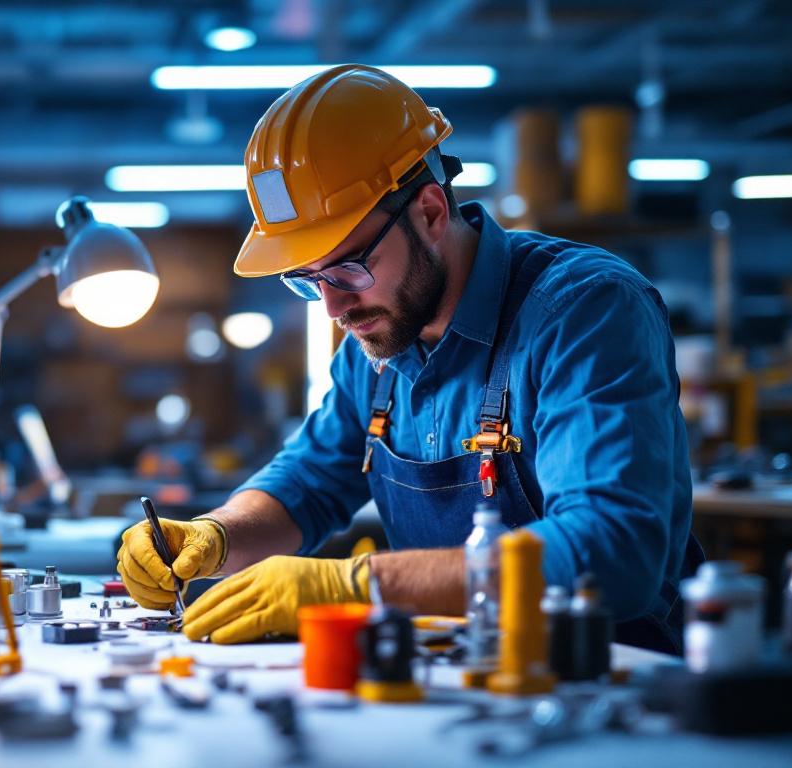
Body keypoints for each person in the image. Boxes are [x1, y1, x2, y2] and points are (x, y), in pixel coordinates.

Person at [116, 64, 701, 652]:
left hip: (608, 683)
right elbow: (309, 482)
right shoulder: (379, 336)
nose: (334, 306)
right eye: (307, 280)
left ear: (429, 211)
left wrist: (360, 585)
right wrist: (215, 534)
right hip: (460, 676)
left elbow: (613, 550)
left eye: (349, 266)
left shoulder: (583, 311)